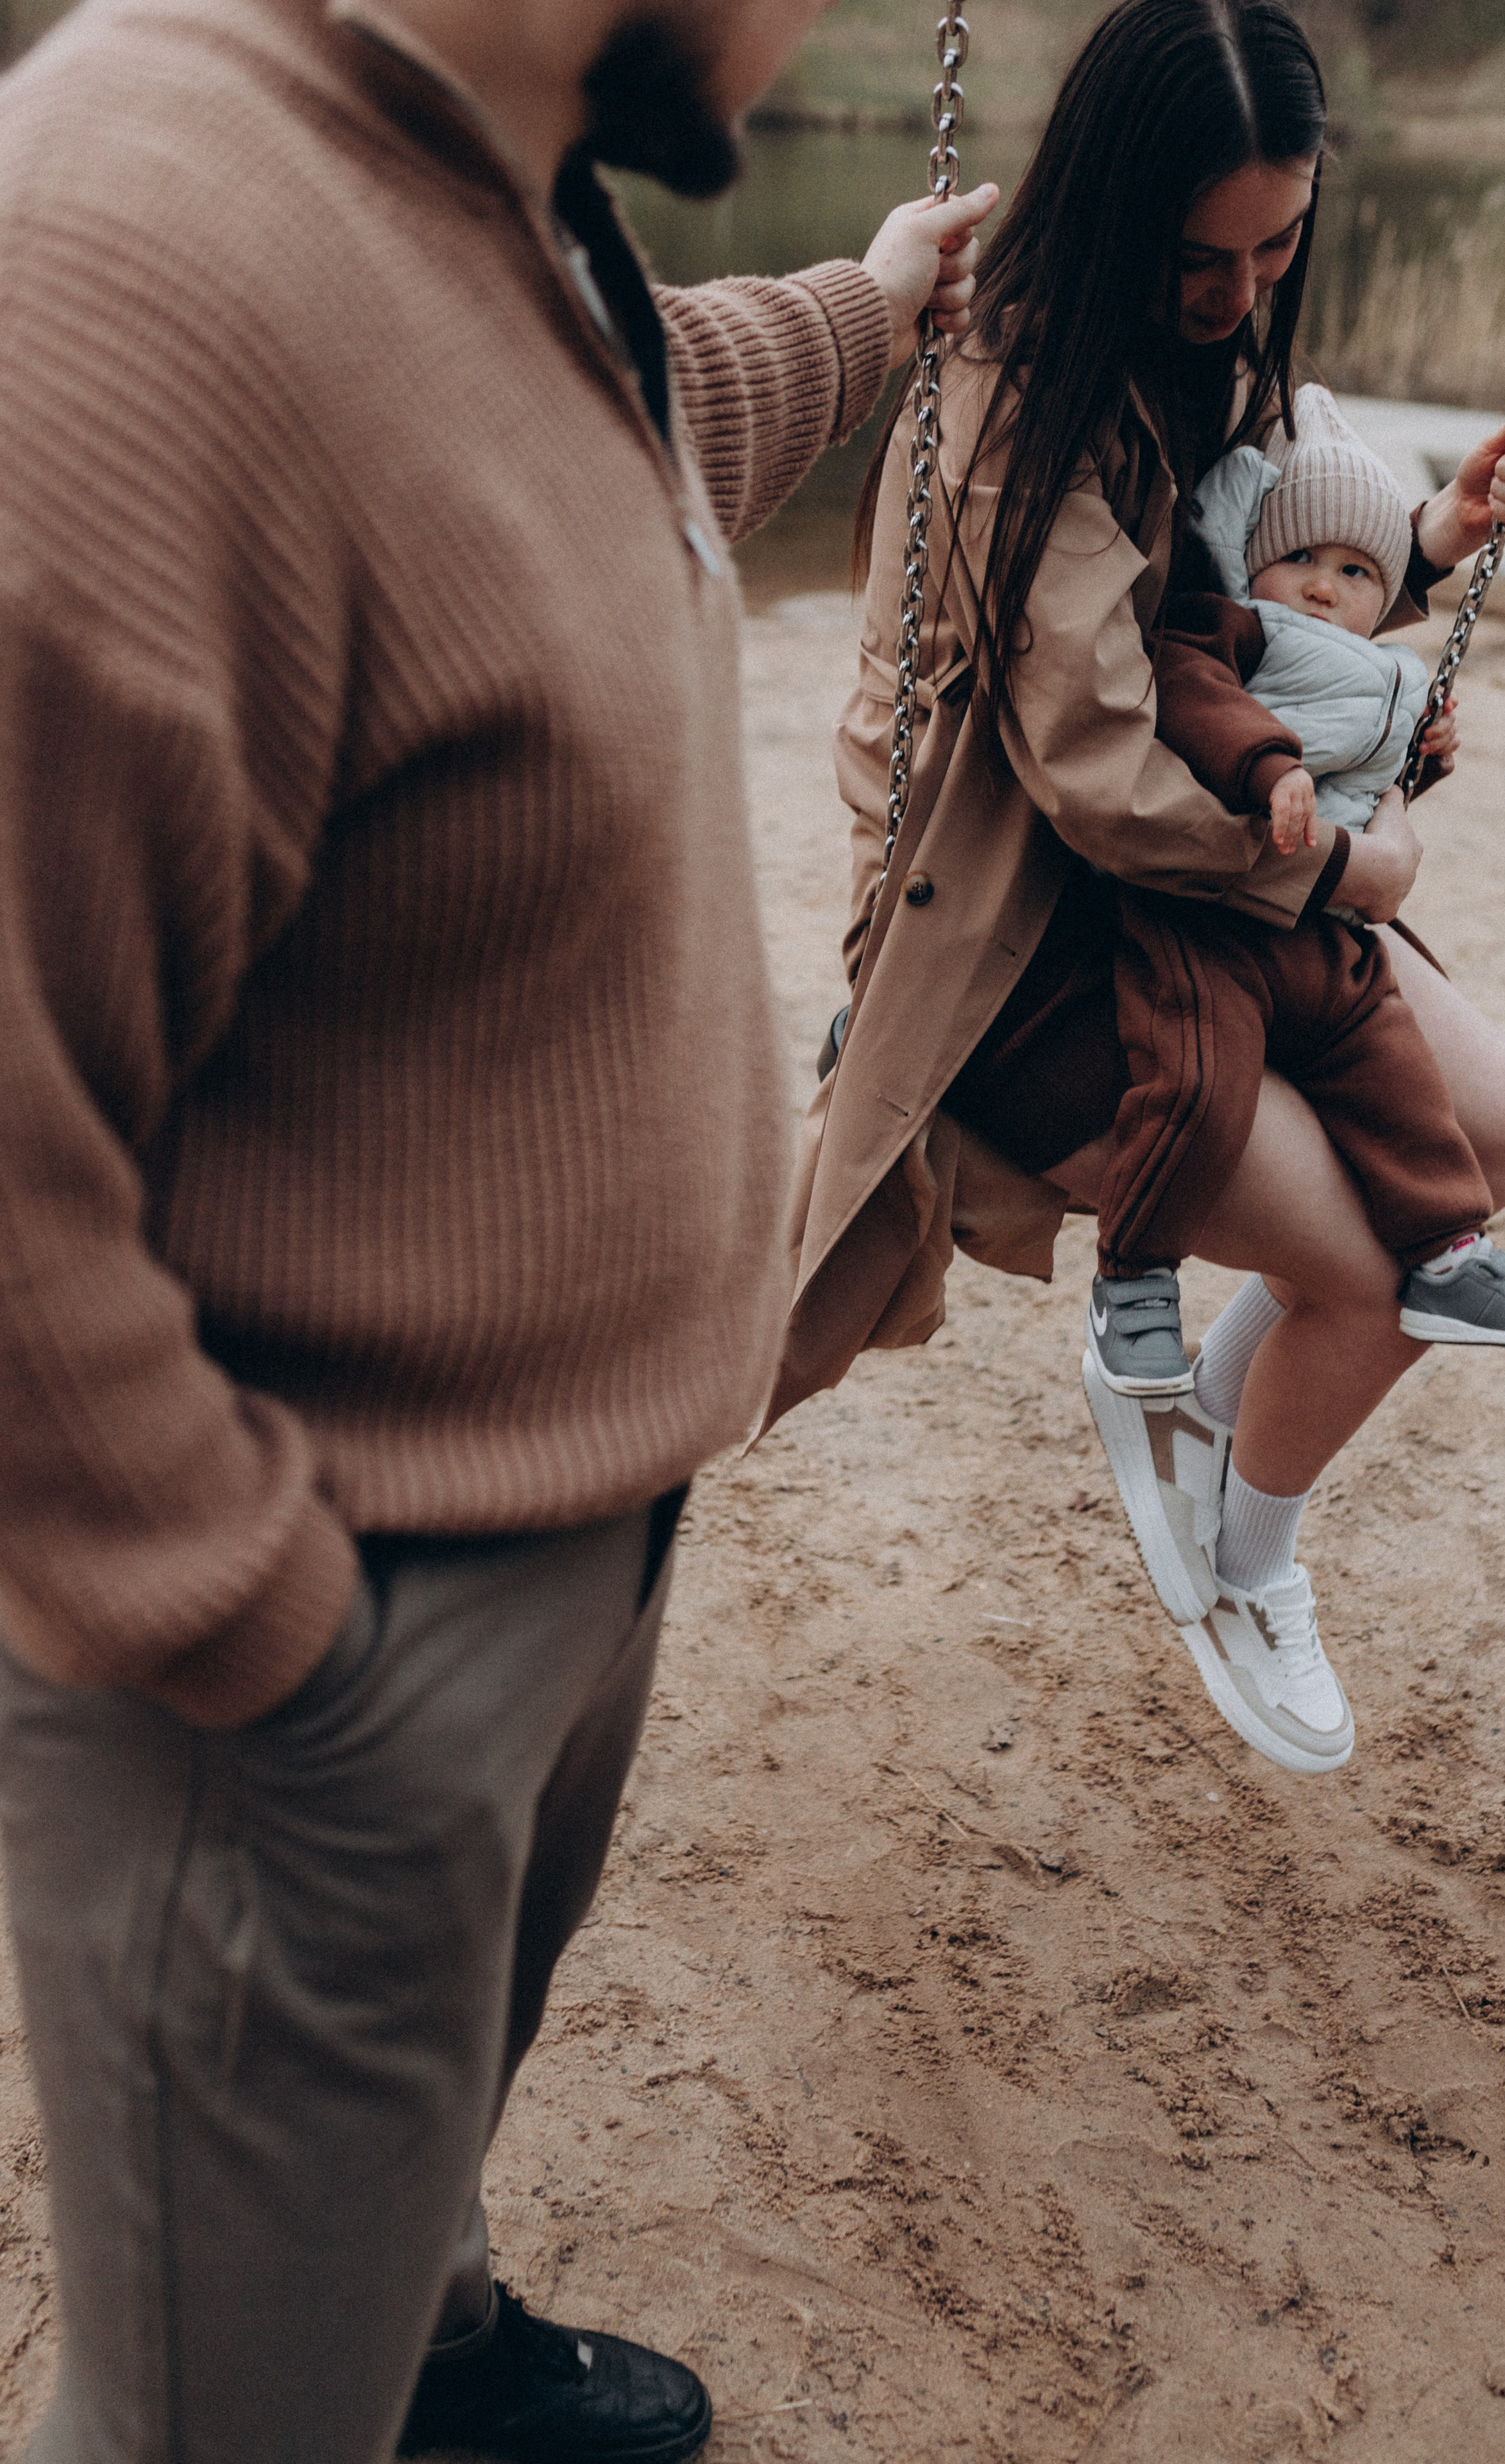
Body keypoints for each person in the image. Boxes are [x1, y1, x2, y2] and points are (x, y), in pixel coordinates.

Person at [0, 2, 996, 2459]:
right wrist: (273, 1649)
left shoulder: (493, 195)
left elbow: (609, 425)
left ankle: (422, 2343)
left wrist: (867, 307)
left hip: (553, 1553)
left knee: (394, 2177)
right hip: (313, 1661)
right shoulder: (134, 257)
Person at [761, 0, 1505, 1786]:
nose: (1240, 289)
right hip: (1033, 937)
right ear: (1122, 214)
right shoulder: (1011, 396)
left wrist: (1426, 546)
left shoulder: (1198, 356)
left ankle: (1204, 1424)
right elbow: (1106, 778)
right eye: (1205, 256)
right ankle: (1246, 1570)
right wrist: (1343, 864)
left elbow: (1239, 600)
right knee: (1374, 1275)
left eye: (1278, 245)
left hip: (1216, 879)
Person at [1083, 379, 1505, 1404]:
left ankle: (1447, 1247)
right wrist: (1271, 771)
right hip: (1211, 916)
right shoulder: (1235, 627)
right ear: (1252, 562)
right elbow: (1193, 693)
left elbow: (1373, 769)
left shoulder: (1388, 667)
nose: (1324, 588)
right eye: (1302, 560)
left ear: (1387, 588)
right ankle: (1133, 1279)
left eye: (1357, 569)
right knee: (1195, 1076)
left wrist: (1428, 757)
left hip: (1323, 927)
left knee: (1392, 1069)